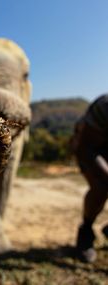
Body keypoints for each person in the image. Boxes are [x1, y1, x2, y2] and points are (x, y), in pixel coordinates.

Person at [71, 94, 108, 262]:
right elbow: (87, 148)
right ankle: (86, 230)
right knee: (101, 187)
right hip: (91, 148)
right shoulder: (104, 107)